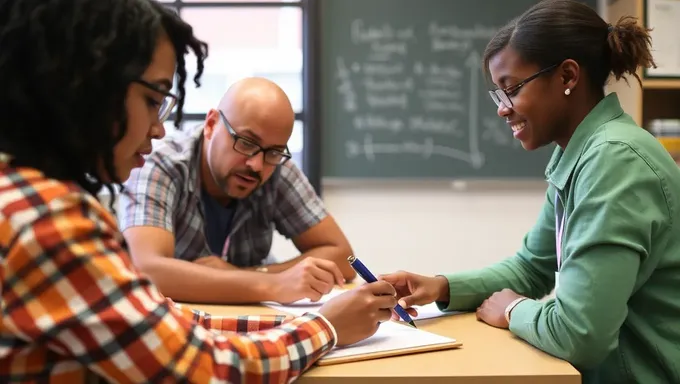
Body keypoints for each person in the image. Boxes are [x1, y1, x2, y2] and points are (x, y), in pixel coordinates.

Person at [0, 0, 400, 381]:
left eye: (272, 152)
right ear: (88, 86)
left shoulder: (23, 197)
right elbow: (205, 371)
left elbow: (158, 323)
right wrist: (324, 324)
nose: (158, 129)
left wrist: (293, 312)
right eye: (152, 99)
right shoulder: (48, 221)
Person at [380, 1, 680, 383]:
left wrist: (512, 310)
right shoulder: (581, 152)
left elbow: (580, 334)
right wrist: (440, 286)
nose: (503, 110)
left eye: (512, 89)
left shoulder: (614, 160)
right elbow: (532, 267)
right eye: (498, 95)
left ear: (567, 76)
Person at [118, 77, 357, 305]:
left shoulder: (276, 167)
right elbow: (147, 269)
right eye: (245, 142)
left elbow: (344, 257)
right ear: (211, 125)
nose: (256, 165)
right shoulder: (162, 164)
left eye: (274, 151)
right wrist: (273, 285)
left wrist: (253, 274)